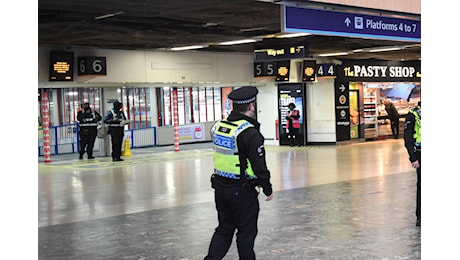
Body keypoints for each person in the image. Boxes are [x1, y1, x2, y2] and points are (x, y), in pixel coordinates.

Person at [205, 86, 273, 260]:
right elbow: (259, 165)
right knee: (246, 233)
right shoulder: (249, 133)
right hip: (242, 192)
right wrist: (267, 188)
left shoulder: (218, 127)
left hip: (221, 188)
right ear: (251, 106)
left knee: (224, 229)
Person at [403, 101, 421, 226]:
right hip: (421, 153)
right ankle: (420, 216)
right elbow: (407, 138)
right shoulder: (413, 115)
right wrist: (413, 158)